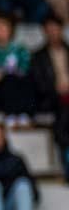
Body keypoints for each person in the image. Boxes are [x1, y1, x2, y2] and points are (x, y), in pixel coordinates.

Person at [32, 15, 69, 179]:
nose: (53, 33)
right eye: (49, 30)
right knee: (64, 114)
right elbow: (38, 85)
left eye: (56, 29)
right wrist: (56, 89)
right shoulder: (38, 56)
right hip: (51, 100)